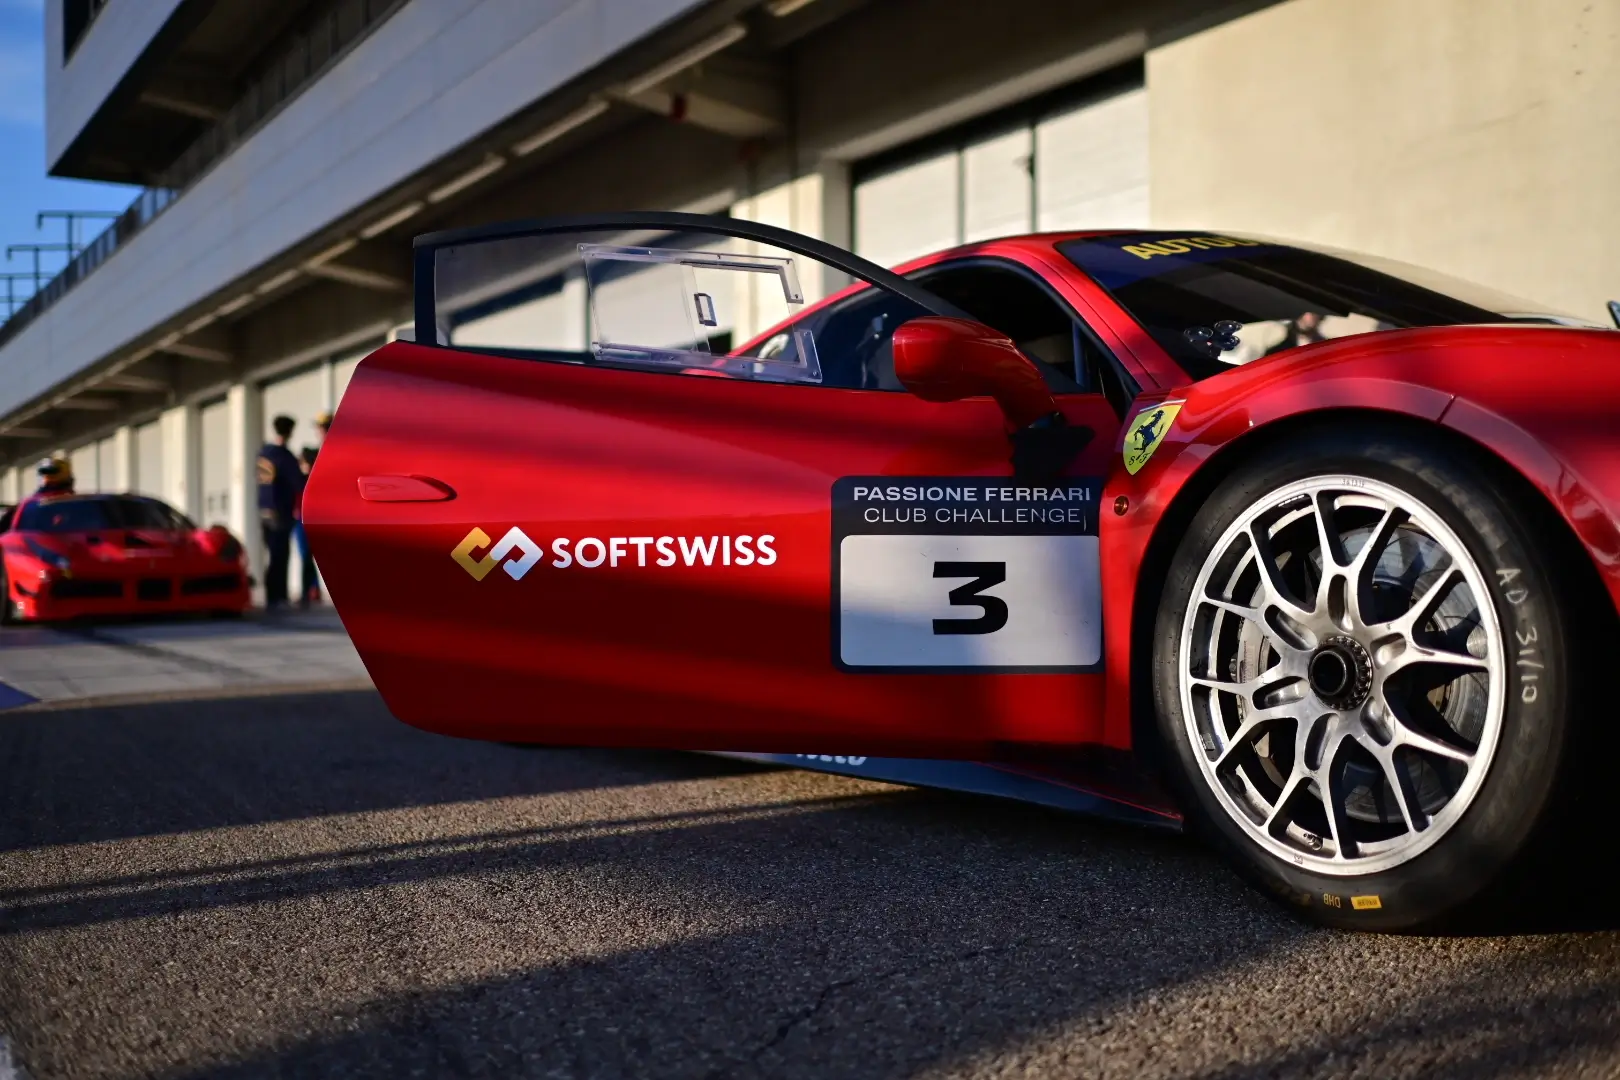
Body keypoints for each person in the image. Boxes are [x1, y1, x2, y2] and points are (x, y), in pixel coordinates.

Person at [257, 415, 304, 610]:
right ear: (290, 432)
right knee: (280, 555)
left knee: (272, 554)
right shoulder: (284, 456)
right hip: (280, 512)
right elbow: (298, 483)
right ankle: (278, 597)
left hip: (264, 511)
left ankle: (271, 596)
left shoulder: (264, 453)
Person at [292, 410, 331, 607]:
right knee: (306, 552)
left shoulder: (334, 451)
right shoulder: (315, 452)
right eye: (319, 427)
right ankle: (312, 589)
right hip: (307, 512)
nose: (320, 431)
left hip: (325, 511)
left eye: (322, 427)